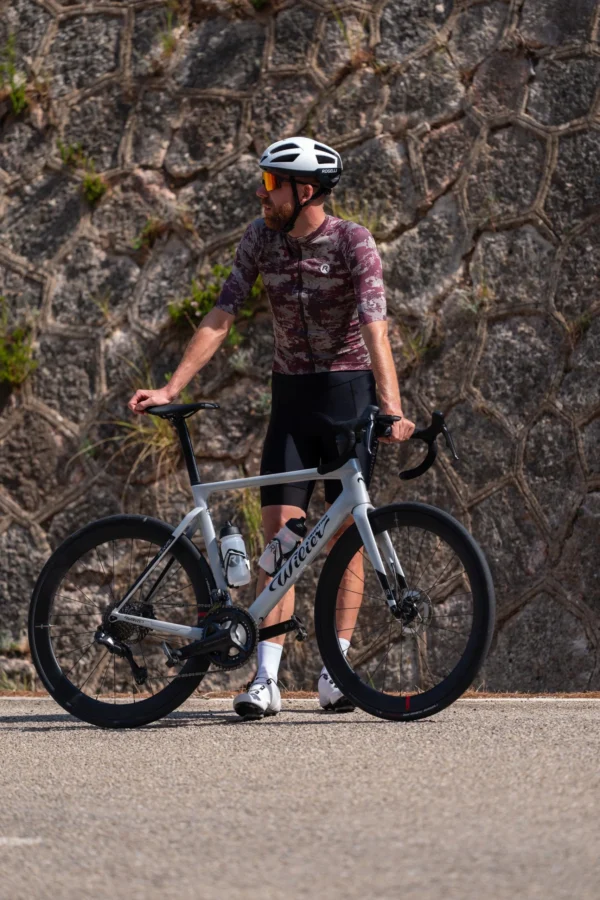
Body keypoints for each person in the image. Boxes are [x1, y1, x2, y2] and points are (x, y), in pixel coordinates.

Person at [128, 136, 415, 719]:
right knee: (280, 536)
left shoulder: (352, 241)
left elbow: (375, 327)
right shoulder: (261, 238)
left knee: (348, 535)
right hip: (291, 401)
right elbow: (222, 312)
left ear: (304, 190)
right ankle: (265, 679)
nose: (261, 194)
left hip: (347, 395)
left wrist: (391, 407)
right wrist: (172, 388)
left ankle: (337, 671)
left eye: (269, 183)